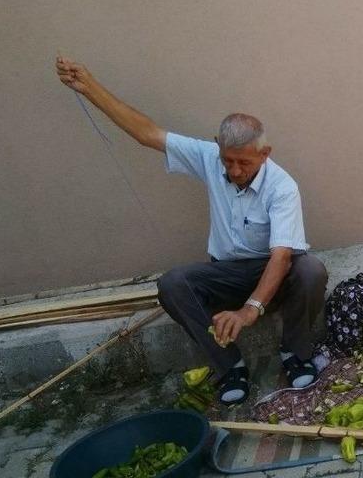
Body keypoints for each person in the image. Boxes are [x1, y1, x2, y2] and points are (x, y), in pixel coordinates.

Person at [56, 57, 328, 405]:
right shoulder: (210, 158)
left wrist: (249, 311)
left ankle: (295, 353)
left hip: (272, 269)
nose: (234, 169)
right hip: (226, 271)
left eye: (244, 162)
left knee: (311, 270)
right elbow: (147, 133)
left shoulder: (282, 186)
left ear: (265, 153)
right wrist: (89, 86)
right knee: (173, 283)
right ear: (218, 146)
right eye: (228, 160)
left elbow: (281, 255)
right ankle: (229, 367)